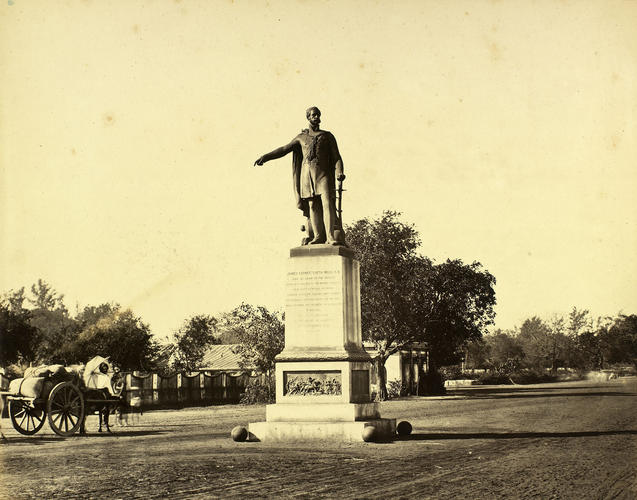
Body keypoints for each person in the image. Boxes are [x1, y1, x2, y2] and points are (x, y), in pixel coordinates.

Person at [254, 107, 346, 245]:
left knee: (327, 203)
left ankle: (330, 236)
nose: (316, 117)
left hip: (323, 175)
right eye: (313, 115)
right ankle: (318, 237)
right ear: (308, 117)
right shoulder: (300, 137)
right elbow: (284, 149)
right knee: (312, 205)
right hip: (306, 175)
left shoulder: (327, 136)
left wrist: (339, 171)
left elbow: (337, 157)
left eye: (318, 115)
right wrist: (266, 157)